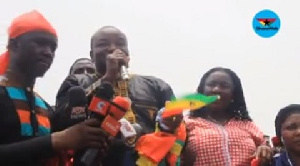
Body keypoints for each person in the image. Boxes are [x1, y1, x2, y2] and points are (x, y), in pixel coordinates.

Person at [55, 26, 179, 166]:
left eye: (120, 43)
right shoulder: (76, 82)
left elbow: (179, 132)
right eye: (103, 44)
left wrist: (170, 125)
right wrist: (108, 78)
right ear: (92, 55)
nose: (112, 48)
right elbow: (60, 121)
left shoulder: (156, 85)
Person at [0, 10, 109, 166]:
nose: (48, 52)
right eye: (39, 43)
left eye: (53, 48)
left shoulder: (44, 107)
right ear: (14, 45)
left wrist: (87, 143)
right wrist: (57, 141)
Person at [181, 67, 267, 166]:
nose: (217, 89)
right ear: (202, 91)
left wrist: (265, 150)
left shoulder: (247, 124)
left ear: (233, 94)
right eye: (211, 84)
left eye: (224, 86)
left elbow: (265, 146)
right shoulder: (186, 124)